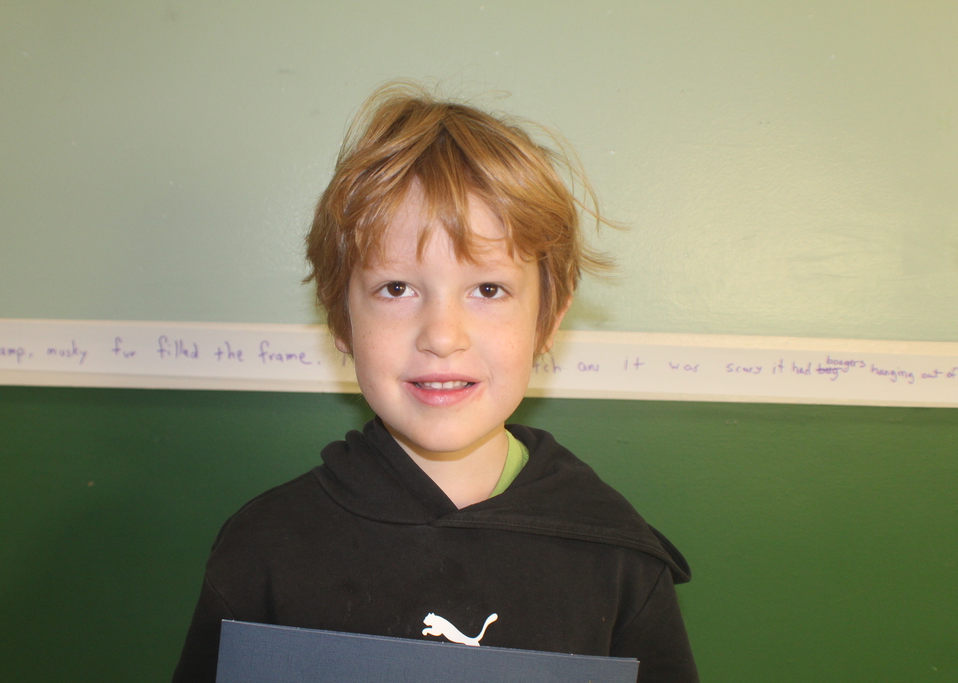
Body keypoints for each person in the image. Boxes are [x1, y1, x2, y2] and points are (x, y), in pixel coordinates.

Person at [172, 82, 698, 682]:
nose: (442, 335)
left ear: (548, 319)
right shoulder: (264, 548)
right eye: (396, 289)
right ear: (341, 318)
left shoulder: (619, 559)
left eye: (488, 289)